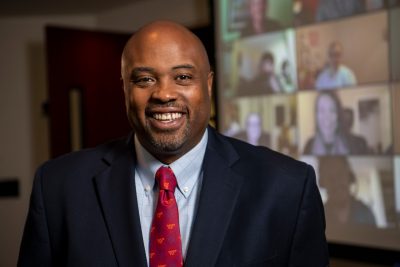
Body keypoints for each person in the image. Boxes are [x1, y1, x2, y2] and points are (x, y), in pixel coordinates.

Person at [18, 21, 329, 266]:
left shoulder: (286, 187)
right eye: (145, 79)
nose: (164, 94)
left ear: (208, 85)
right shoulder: (59, 187)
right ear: (125, 89)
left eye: (182, 77)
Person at [304, 91, 368, 155]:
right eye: (321, 110)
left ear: (338, 115)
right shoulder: (309, 146)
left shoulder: (358, 144)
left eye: (332, 110)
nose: (327, 117)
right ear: (316, 115)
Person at [319, 156, 376, 226]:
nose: (336, 182)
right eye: (330, 178)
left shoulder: (366, 213)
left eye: (340, 174)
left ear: (349, 177)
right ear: (322, 183)